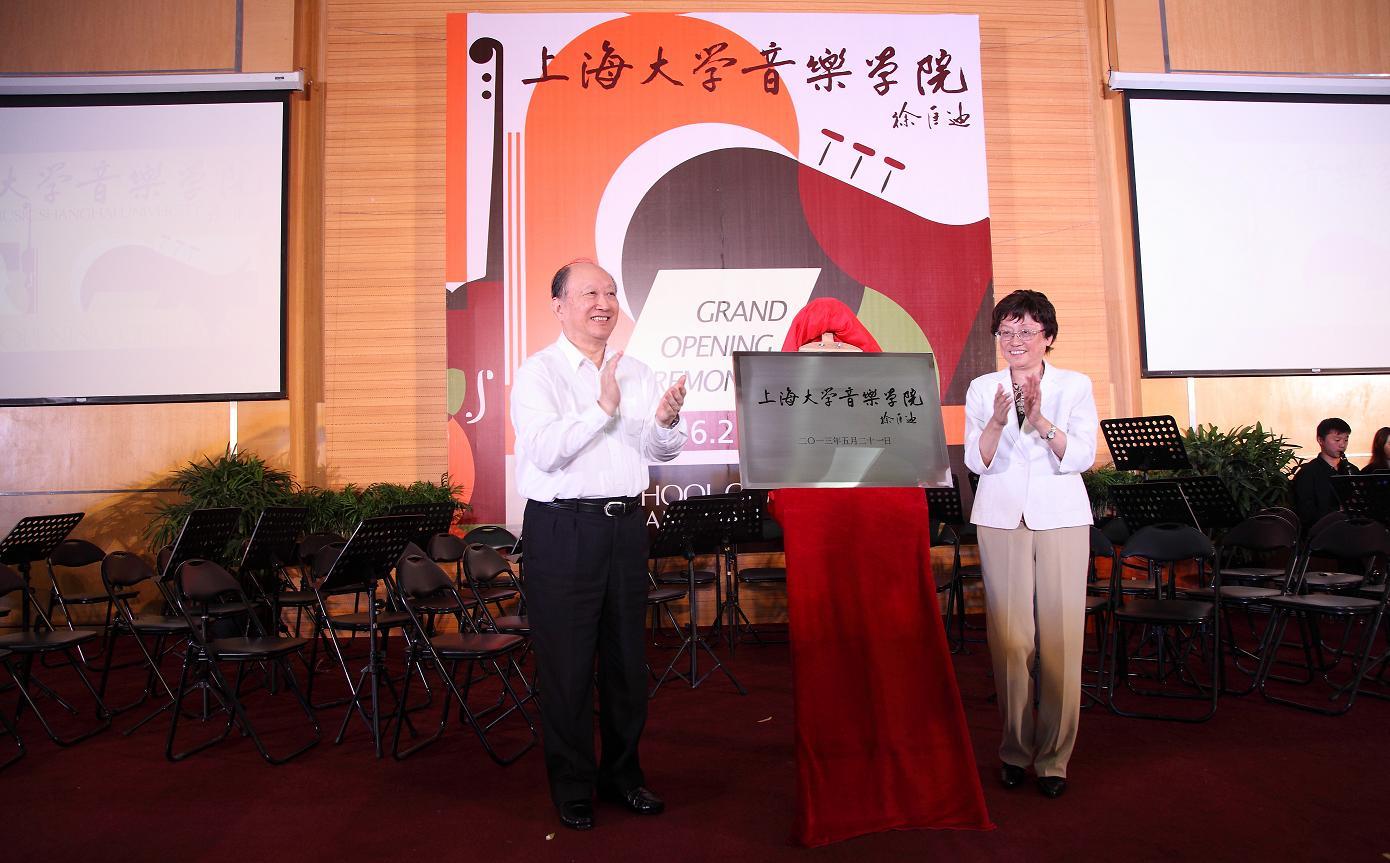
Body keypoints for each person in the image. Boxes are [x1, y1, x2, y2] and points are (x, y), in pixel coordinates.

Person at [769, 298, 991, 846]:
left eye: (839, 341)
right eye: (815, 342)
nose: (828, 349)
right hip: (823, 550)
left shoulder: (893, 406)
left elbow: (914, 472)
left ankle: (920, 786)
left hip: (887, 547)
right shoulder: (784, 416)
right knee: (830, 662)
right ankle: (841, 796)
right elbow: (780, 495)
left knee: (901, 654)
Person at [509, 260, 688, 831]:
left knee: (626, 663)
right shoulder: (538, 374)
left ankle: (623, 776)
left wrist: (666, 421)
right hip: (563, 529)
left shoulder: (636, 370)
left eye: (610, 292)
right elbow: (544, 451)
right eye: (589, 293)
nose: (603, 303)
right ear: (559, 306)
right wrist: (601, 409)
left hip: (625, 528)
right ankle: (572, 785)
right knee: (565, 665)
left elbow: (656, 452)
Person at [963, 289, 1097, 800]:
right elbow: (977, 462)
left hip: (1061, 517)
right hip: (1000, 517)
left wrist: (1039, 420)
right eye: (1006, 331)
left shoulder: (1075, 385)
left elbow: (1081, 456)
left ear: (1048, 337)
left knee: (1062, 641)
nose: (1014, 340)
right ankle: (1015, 750)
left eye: (1025, 331)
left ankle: (1054, 758)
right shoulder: (983, 389)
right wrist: (999, 421)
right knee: (1010, 641)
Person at [1292, 417, 1359, 529]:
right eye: (1337, 440)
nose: (1342, 445)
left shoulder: (1353, 470)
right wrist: (1339, 510)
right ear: (1320, 440)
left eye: (1346, 440)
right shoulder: (1307, 473)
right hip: (1322, 533)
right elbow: (1305, 514)